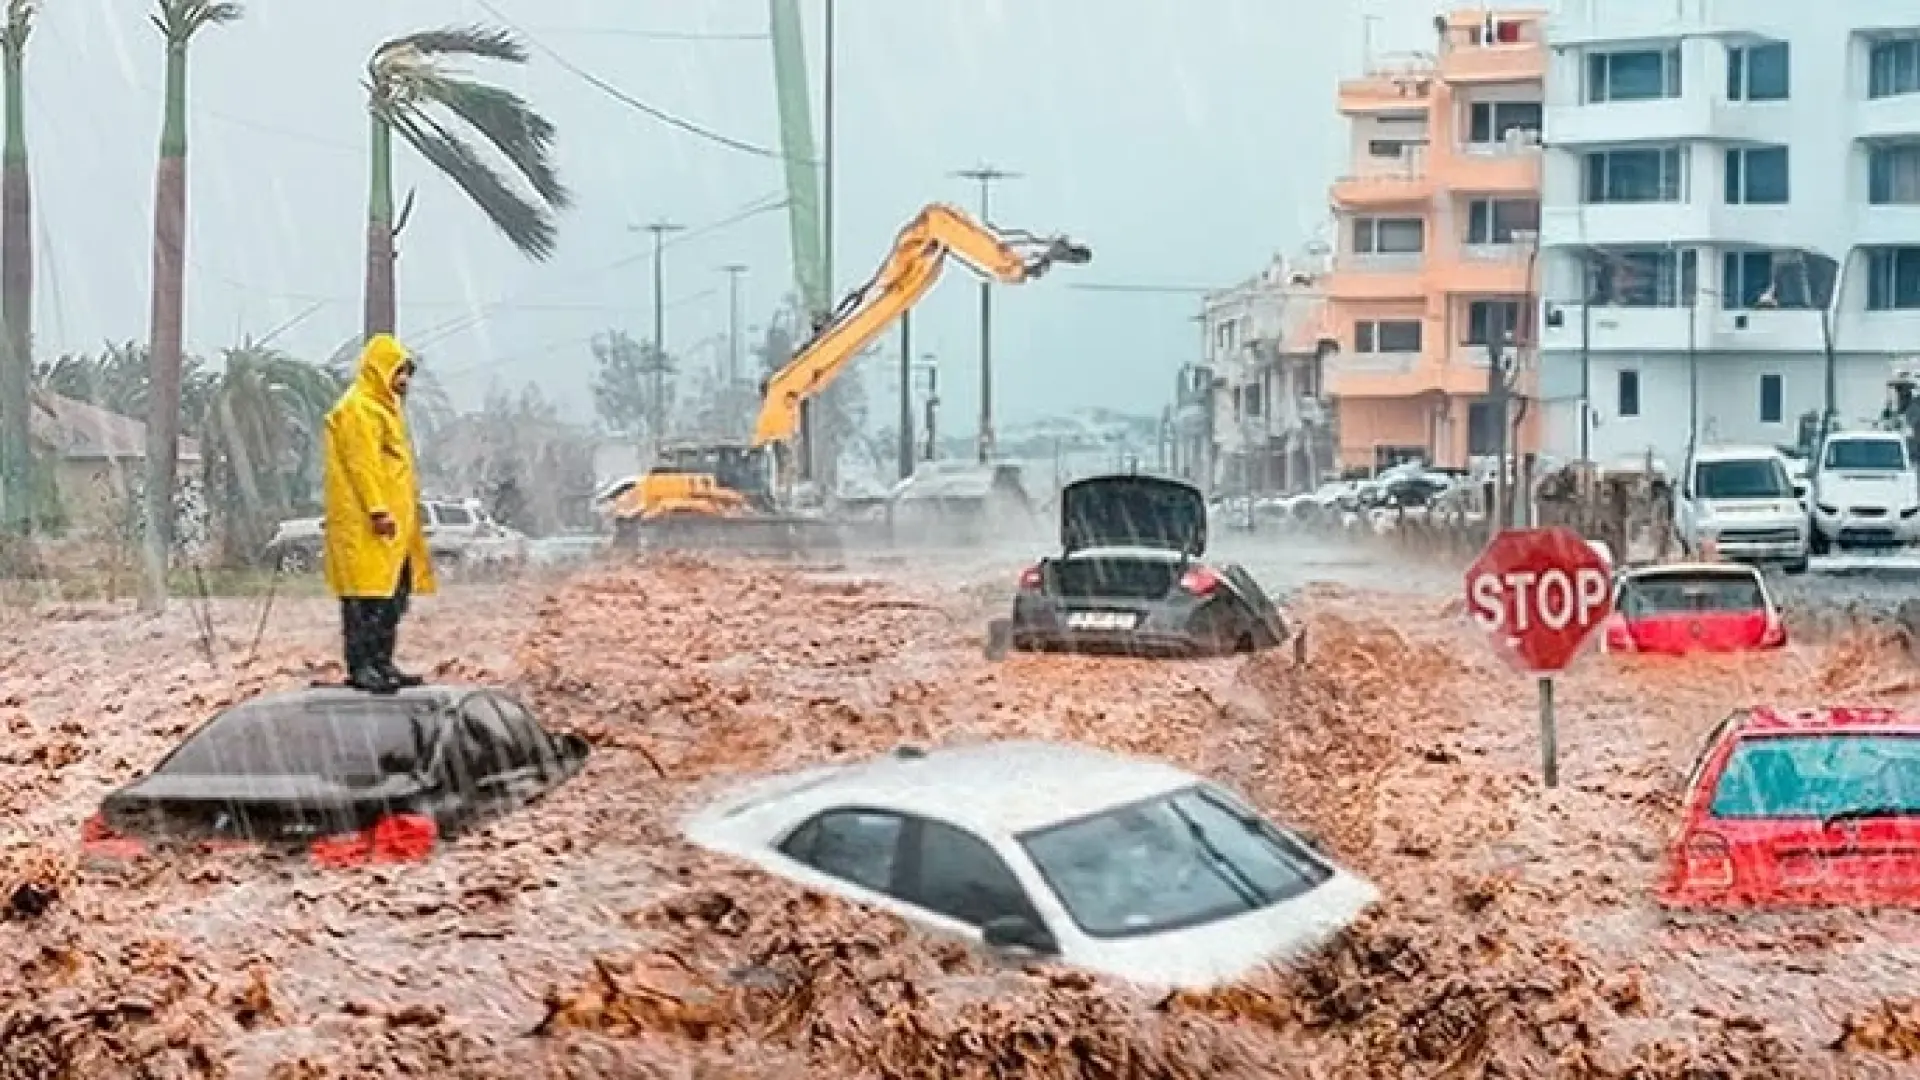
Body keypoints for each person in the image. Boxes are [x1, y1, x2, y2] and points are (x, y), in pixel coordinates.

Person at [321, 334, 436, 693]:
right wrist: (377, 509)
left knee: (392, 598)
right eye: (398, 372)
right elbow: (363, 465)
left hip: (393, 530)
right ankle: (362, 667)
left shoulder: (385, 410)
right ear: (379, 370)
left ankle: (382, 663)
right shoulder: (358, 409)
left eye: (406, 374)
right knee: (364, 600)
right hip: (368, 526)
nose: (403, 382)